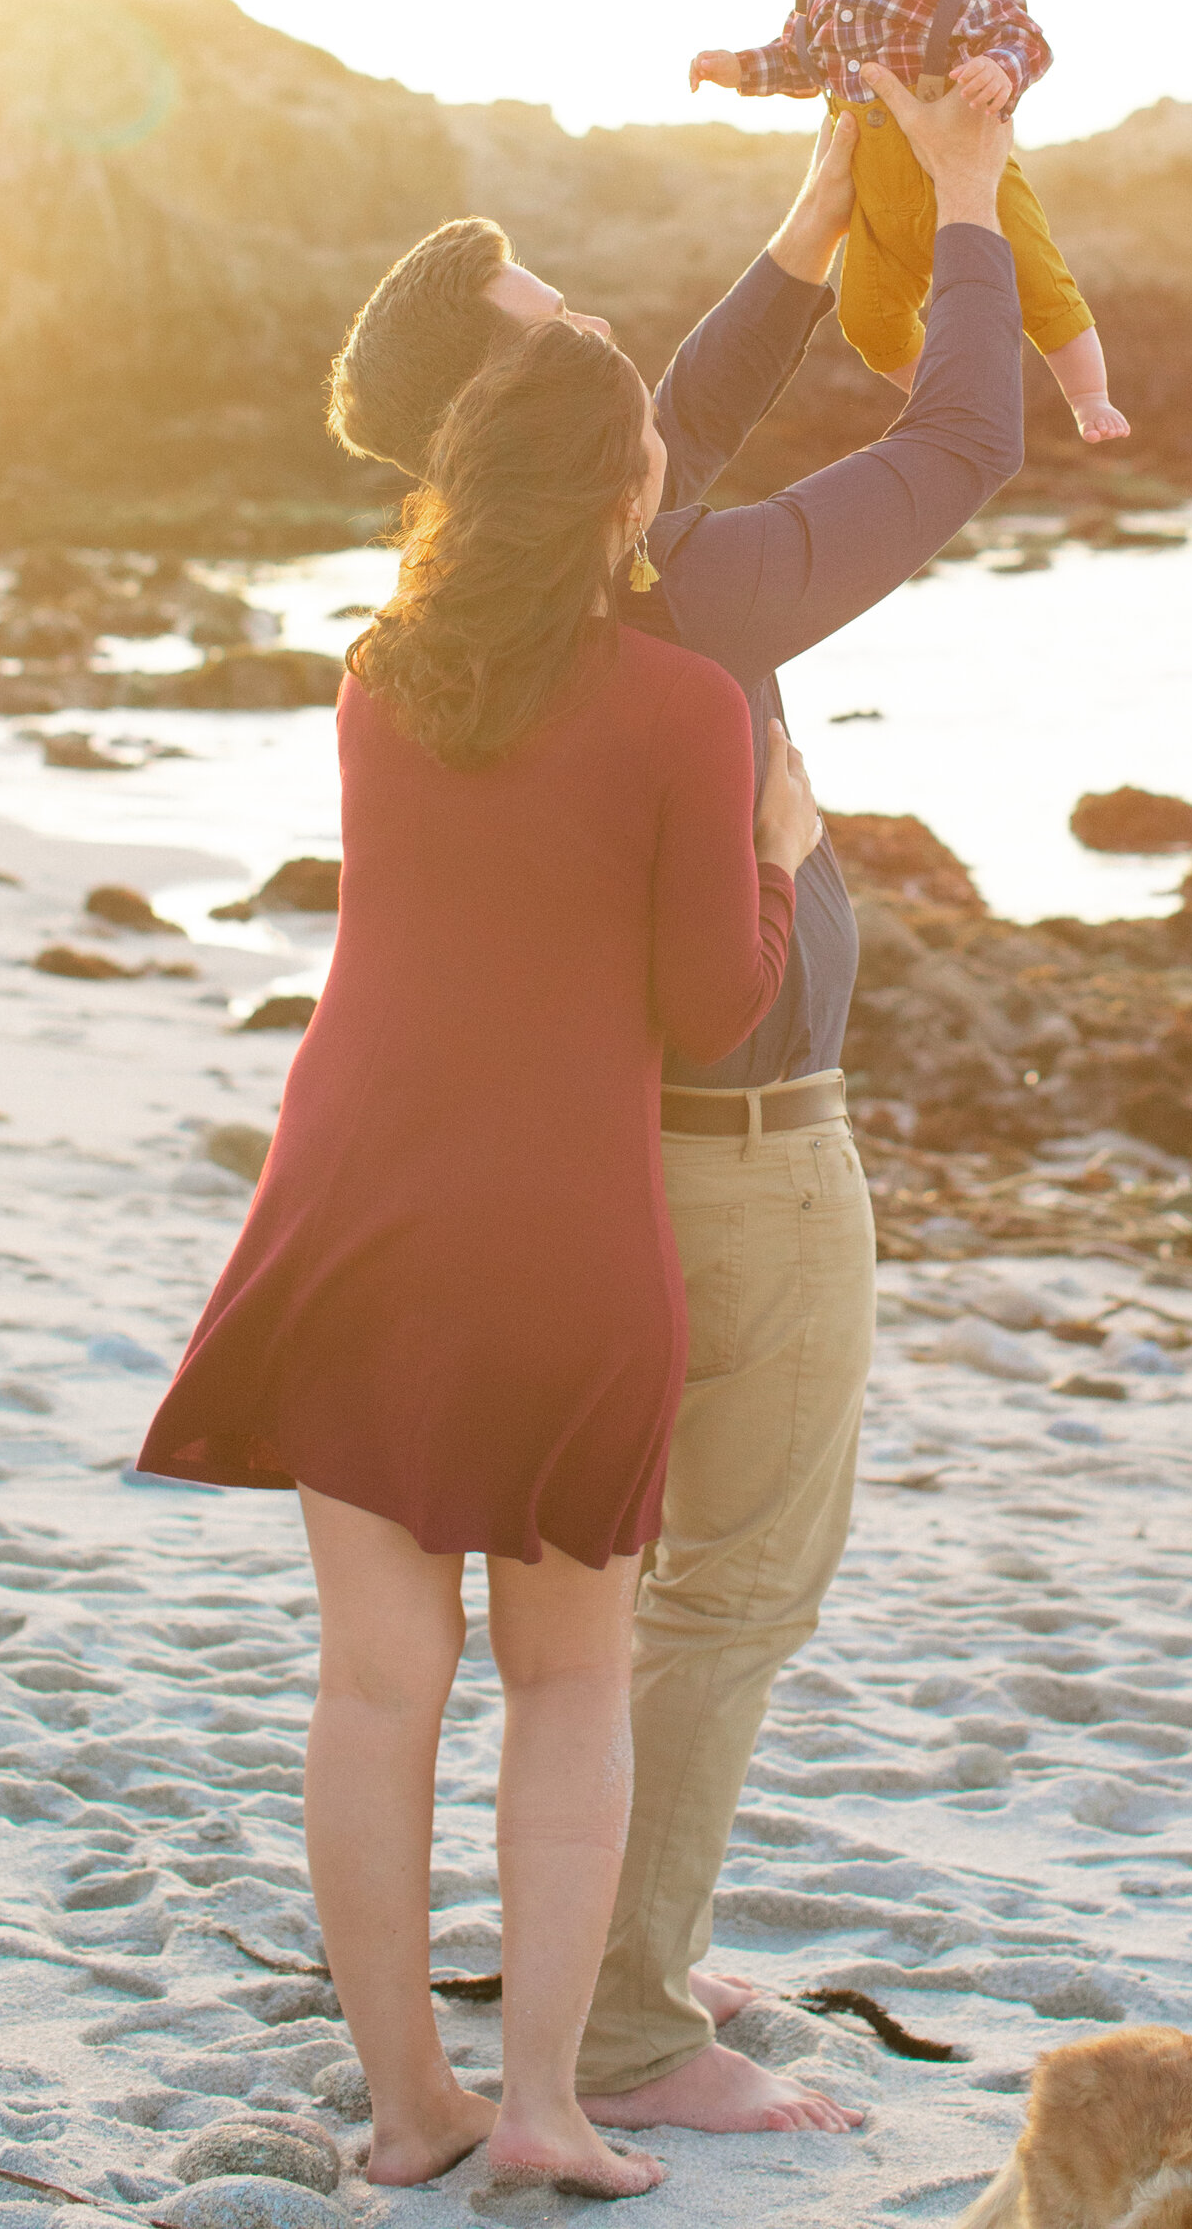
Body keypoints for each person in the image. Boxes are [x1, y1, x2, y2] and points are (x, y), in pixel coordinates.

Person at [325, 68, 1027, 2138]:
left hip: (554, 1161)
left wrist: (818, 222)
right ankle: (625, 2012)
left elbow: (675, 422)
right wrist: (966, 205)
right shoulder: (694, 603)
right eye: (559, 313)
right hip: (735, 1163)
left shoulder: (488, 605)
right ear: (535, 412)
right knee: (730, 1587)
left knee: (578, 1619)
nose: (598, 325)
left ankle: (598, 1947)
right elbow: (961, 441)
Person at [136, 317, 827, 2196]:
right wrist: (773, 847)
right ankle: (538, 2106)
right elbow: (707, 1008)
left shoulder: (380, 678)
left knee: (375, 1680)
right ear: (623, 492)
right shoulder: (693, 707)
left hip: (350, 1207)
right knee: (571, 1680)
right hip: (556, 1236)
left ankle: (404, 2113)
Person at [690, 0, 1131, 443]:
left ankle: (1088, 395)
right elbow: (798, 62)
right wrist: (735, 69)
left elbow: (1026, 41)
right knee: (866, 319)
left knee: (1041, 286)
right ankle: (939, 395)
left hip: (966, 180)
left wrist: (997, 69)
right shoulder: (827, 1)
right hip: (876, 198)